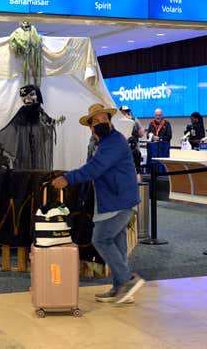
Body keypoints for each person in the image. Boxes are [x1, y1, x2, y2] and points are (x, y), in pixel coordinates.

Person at [51, 103, 144, 304]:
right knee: (117, 245)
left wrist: (68, 179)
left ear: (110, 122)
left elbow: (94, 168)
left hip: (117, 201)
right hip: (116, 199)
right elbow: (93, 167)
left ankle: (127, 281)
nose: (102, 123)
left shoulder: (113, 143)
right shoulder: (98, 143)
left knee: (101, 239)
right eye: (97, 121)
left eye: (105, 119)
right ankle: (121, 289)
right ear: (90, 126)